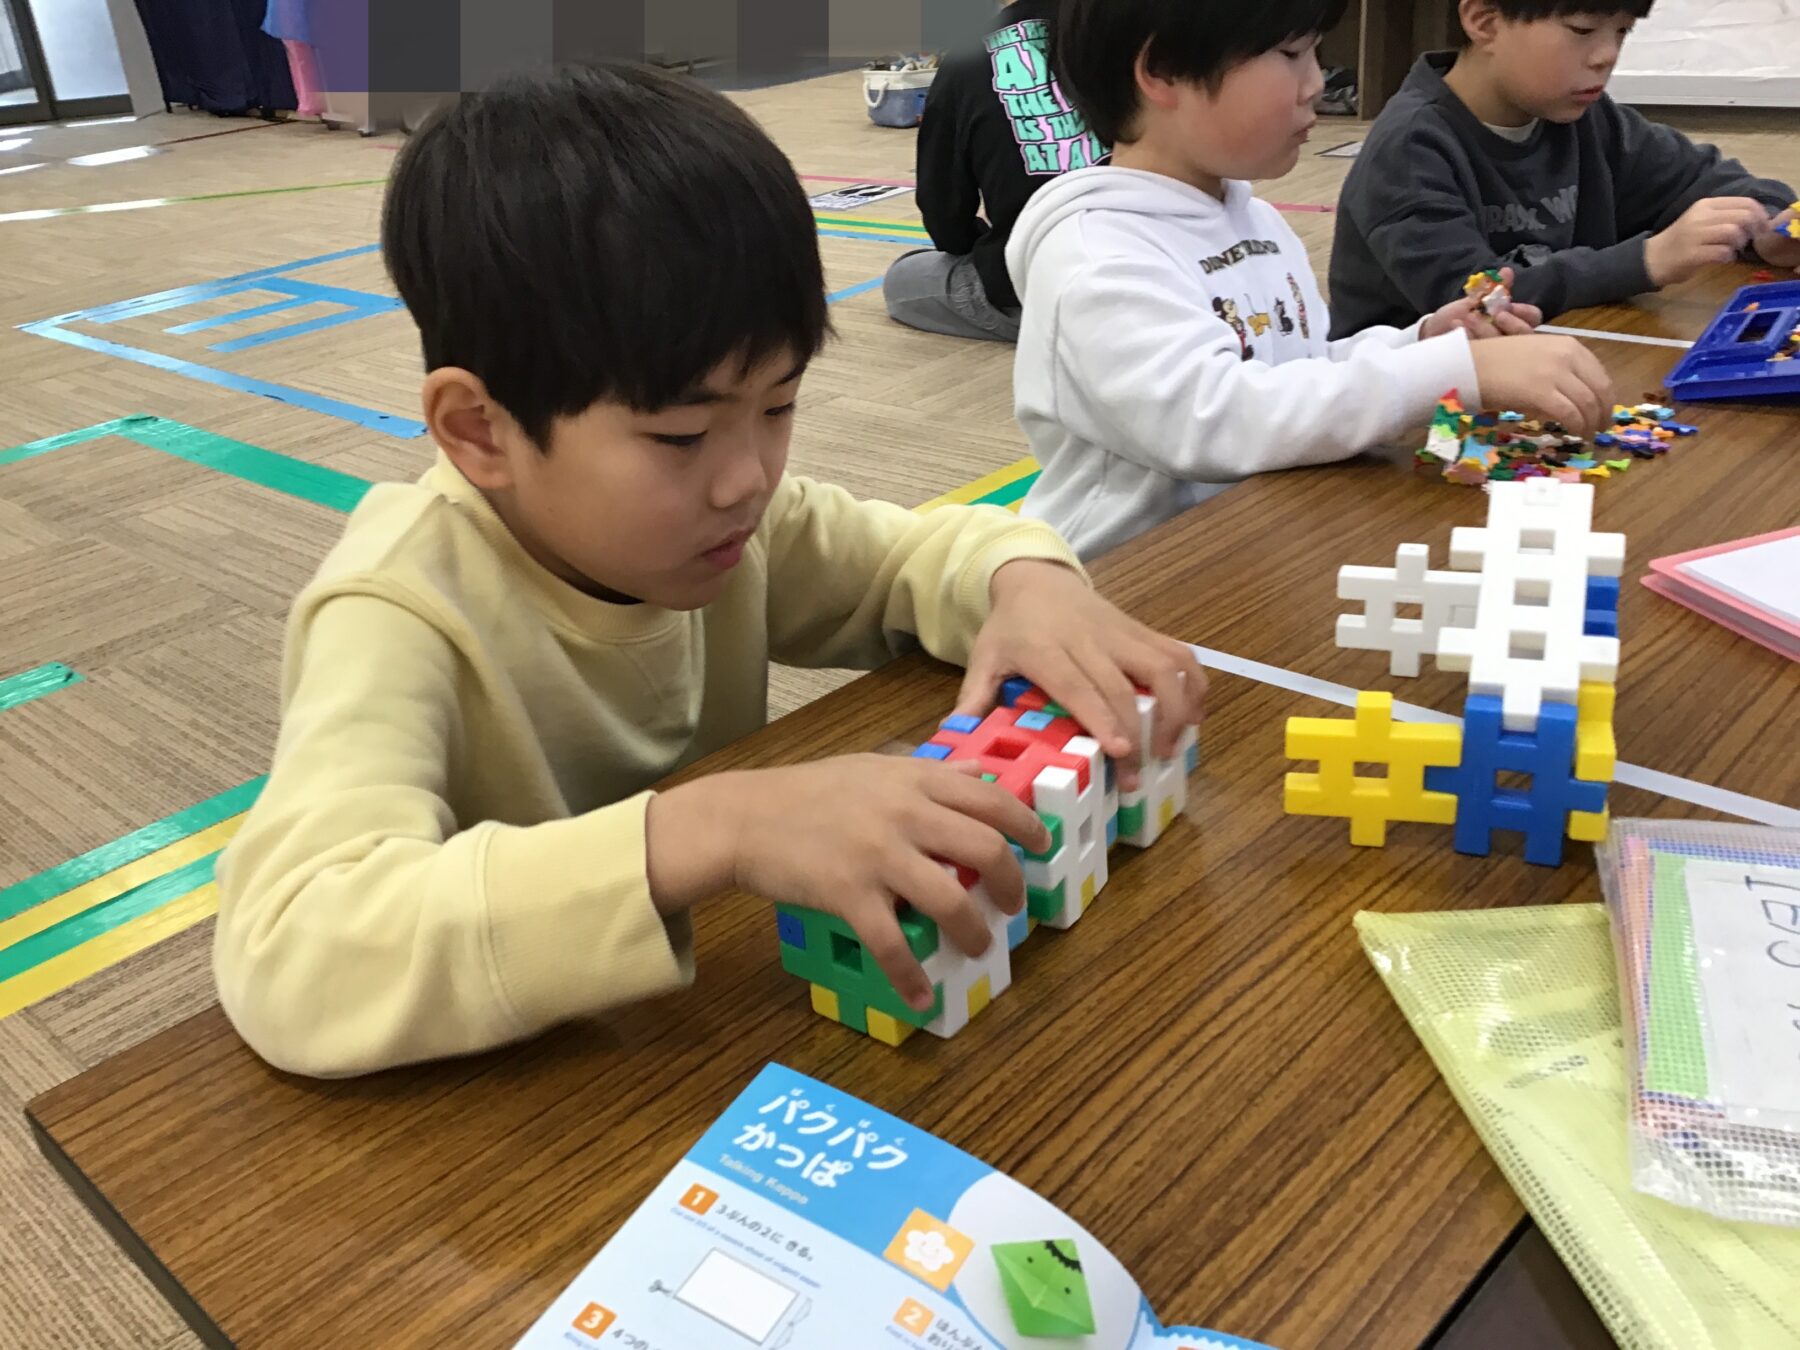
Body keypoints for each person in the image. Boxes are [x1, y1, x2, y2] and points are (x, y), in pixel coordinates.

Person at [211, 63, 1206, 1078]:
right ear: (480, 431)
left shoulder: (735, 524)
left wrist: (1029, 582)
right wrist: (720, 825)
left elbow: (912, 556)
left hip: (703, 1042)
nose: (748, 479)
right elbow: (294, 952)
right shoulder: (393, 610)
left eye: (779, 406)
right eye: (681, 435)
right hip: (520, 1109)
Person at [1009, 0, 1609, 562]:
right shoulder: (1097, 253)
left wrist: (1424, 340)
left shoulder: (1257, 222)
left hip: (1256, 539)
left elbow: (1303, 368)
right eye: (1292, 54)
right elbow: (1217, 420)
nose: (1317, 83)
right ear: (1163, 72)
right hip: (1122, 575)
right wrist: (1452, 372)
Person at [1329, 0, 1800, 337]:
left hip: (1548, 366)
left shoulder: (1589, 121)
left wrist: (1766, 228)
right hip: (1415, 411)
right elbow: (1474, 299)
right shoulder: (1411, 147)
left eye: (1622, 32)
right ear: (1485, 22)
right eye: (1582, 29)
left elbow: (1709, 180)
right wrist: (1646, 260)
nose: (1606, 55)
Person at [883, 0, 1107, 342]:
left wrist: (983, 246)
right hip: (1160, 262)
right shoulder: (1137, 31)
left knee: (903, 279)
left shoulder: (967, 57)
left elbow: (944, 213)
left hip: (1038, 284)